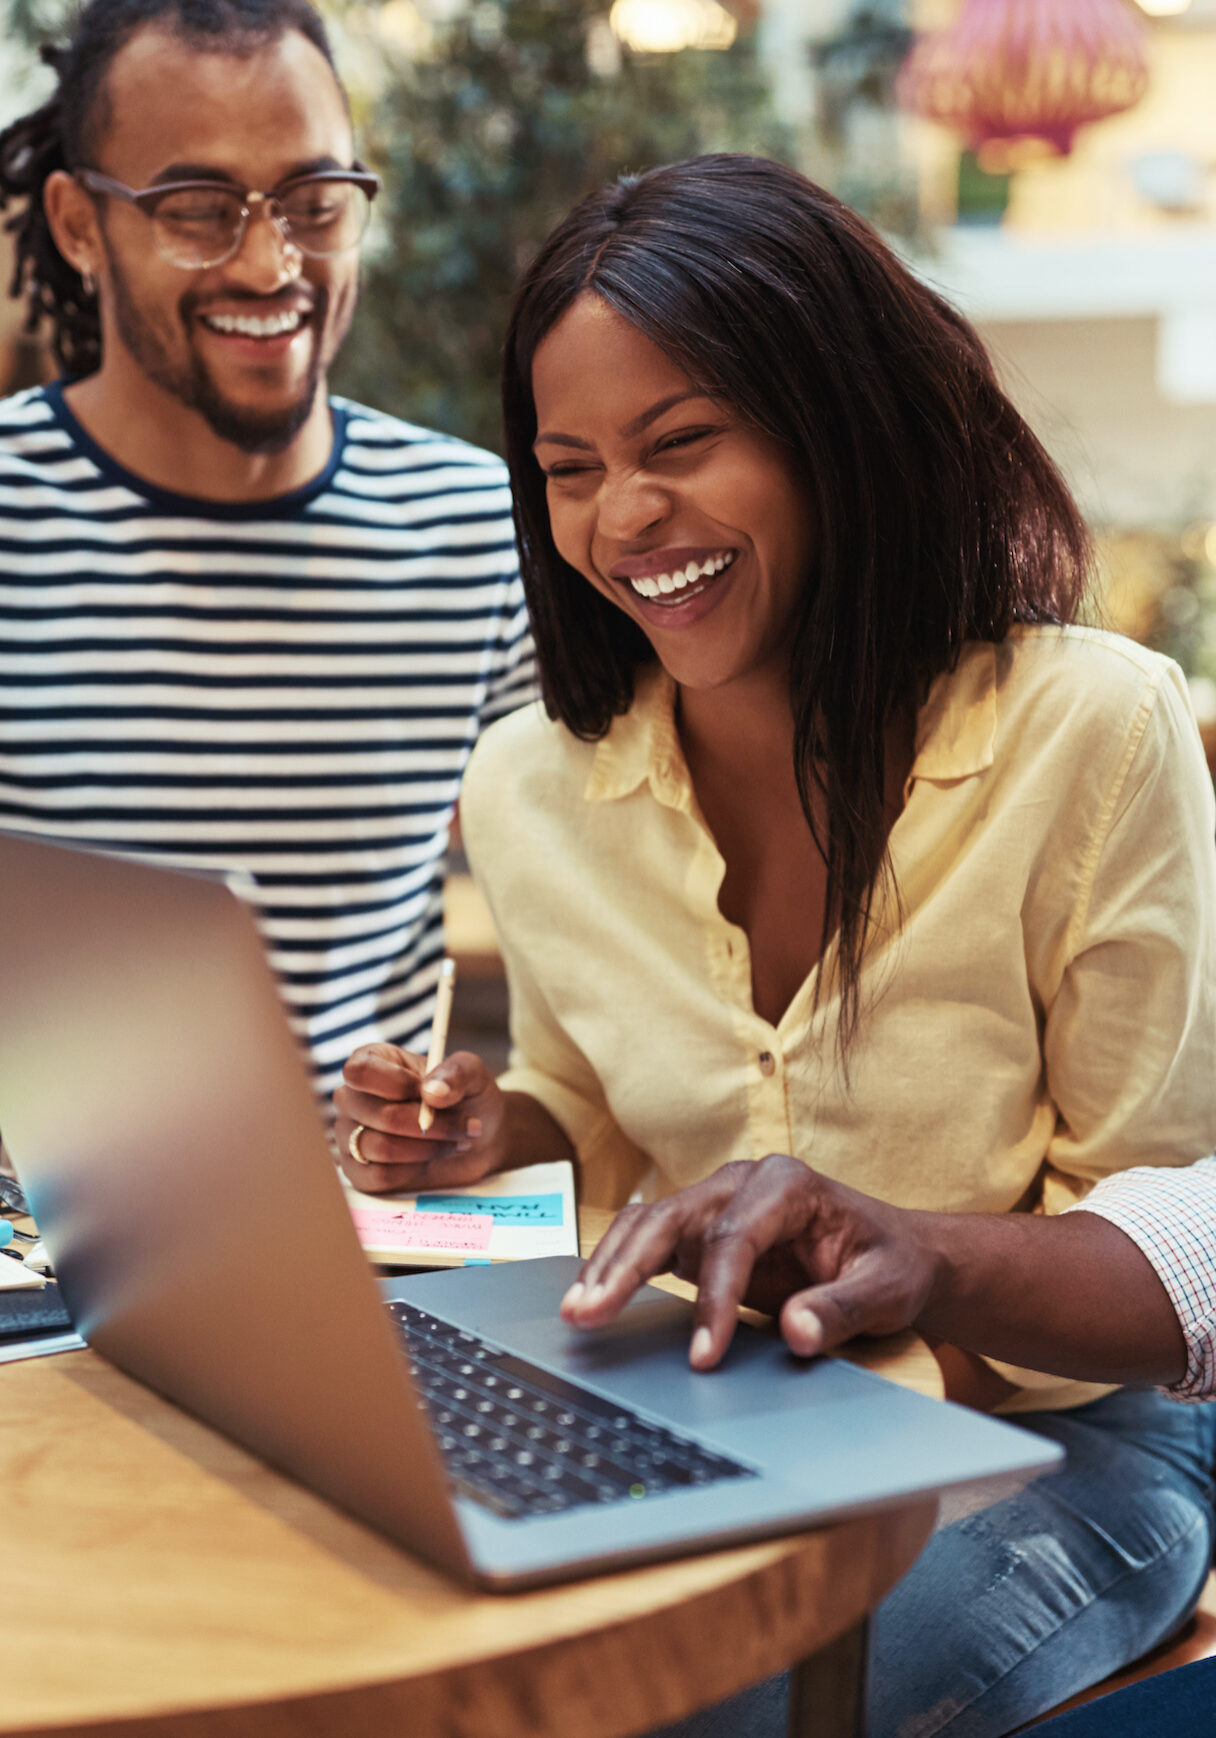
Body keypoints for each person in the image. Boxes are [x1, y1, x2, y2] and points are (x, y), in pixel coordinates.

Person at [334, 155, 1216, 1738]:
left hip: (1063, 1439)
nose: (624, 516)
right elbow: (587, 1107)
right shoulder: (535, 781)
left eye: (682, 443)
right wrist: (487, 1132)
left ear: (841, 429)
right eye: (569, 465)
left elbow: (1176, 1239)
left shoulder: (1094, 726)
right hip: (701, 1400)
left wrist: (923, 1251)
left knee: (706, 1708)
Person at [0, 0, 534, 1099]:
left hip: (382, 1248)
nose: (267, 263)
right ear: (76, 224)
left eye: (312, 200)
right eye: (196, 209)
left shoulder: (481, 528)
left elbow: (611, 938)